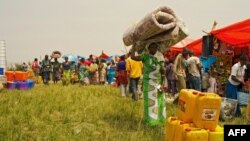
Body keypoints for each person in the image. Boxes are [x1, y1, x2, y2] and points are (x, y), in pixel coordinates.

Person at [131, 42, 166, 126]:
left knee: (160, 101)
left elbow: (163, 71)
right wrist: (134, 45)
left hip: (158, 83)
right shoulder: (145, 56)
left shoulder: (160, 56)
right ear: (149, 48)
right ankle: (151, 122)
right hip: (148, 83)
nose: (154, 49)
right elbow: (133, 57)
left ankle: (160, 121)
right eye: (152, 47)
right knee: (149, 102)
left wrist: (163, 84)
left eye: (156, 47)